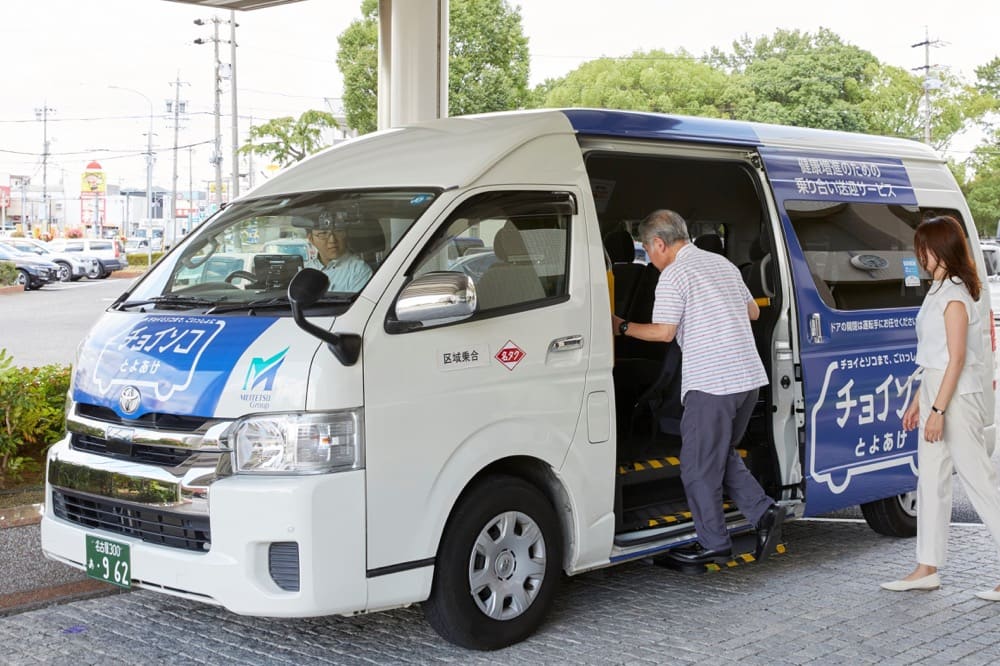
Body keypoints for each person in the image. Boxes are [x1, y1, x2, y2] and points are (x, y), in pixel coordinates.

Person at [612, 209, 785, 565]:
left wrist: (622, 327)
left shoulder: (674, 275)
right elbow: (753, 312)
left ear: (659, 243)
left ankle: (714, 544)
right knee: (718, 454)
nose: (651, 257)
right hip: (747, 381)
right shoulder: (722, 264)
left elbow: (663, 333)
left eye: (649, 248)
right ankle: (764, 513)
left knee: (696, 465)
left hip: (713, 384)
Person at [881, 215, 1000, 600]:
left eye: (923, 248)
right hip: (939, 390)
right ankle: (926, 567)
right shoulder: (939, 290)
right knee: (930, 482)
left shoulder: (953, 296)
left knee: (980, 484)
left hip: (957, 399)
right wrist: (919, 401)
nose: (919, 255)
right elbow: (933, 357)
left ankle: (929, 567)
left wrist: (937, 410)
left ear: (938, 249)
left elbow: (957, 358)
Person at [304, 216, 373, 292]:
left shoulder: (359, 271)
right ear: (311, 239)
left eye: (339, 231)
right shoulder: (306, 270)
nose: (332, 240)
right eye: (323, 233)